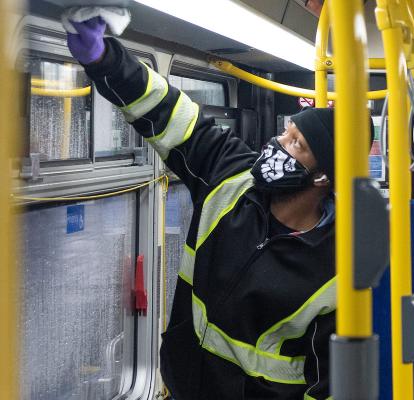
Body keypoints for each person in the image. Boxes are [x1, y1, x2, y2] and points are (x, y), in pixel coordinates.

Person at [66, 18, 370, 399]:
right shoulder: (231, 176)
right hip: (183, 380)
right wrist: (106, 60)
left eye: (296, 145)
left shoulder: (339, 266)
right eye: (286, 133)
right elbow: (172, 114)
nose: (277, 145)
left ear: (322, 178)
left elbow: (330, 379)